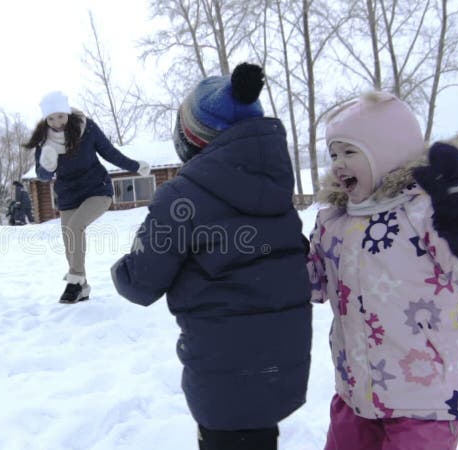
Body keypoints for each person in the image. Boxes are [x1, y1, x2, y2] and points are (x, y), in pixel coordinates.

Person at [111, 63, 312, 450]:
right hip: (280, 367)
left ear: (191, 137)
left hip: (222, 373)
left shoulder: (182, 196)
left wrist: (122, 268)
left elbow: (141, 282)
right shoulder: (276, 189)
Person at [307, 91, 458, 450]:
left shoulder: (426, 213)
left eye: (350, 152)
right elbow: (313, 284)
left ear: (387, 151)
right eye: (333, 154)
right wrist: (277, 251)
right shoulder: (334, 222)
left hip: (428, 400)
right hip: (356, 395)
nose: (338, 164)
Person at [22, 91, 150, 304]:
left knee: (74, 227)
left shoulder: (85, 127)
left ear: (67, 112)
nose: (57, 123)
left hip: (97, 190)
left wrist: (136, 166)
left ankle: (73, 283)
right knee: (69, 241)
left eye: (60, 116)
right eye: (51, 118)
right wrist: (47, 164)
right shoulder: (44, 141)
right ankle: (83, 288)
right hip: (68, 196)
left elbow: (109, 152)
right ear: (45, 119)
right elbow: (43, 176)